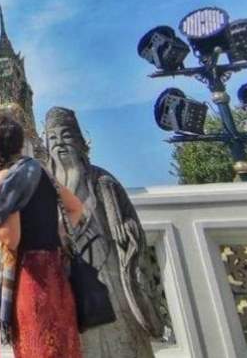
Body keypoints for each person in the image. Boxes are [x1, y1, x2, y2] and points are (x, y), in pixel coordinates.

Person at [46, 107, 163, 357]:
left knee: (118, 329)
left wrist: (125, 230)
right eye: (52, 139)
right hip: (67, 272)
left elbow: (128, 220)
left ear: (80, 142)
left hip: (108, 270)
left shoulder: (101, 181)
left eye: (66, 136)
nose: (59, 144)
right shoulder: (46, 184)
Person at [0, 115, 84, 358]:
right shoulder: (40, 171)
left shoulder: (7, 176)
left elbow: (11, 239)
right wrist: (54, 234)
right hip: (57, 273)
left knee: (38, 347)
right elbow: (76, 208)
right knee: (64, 346)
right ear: (20, 141)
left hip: (31, 278)